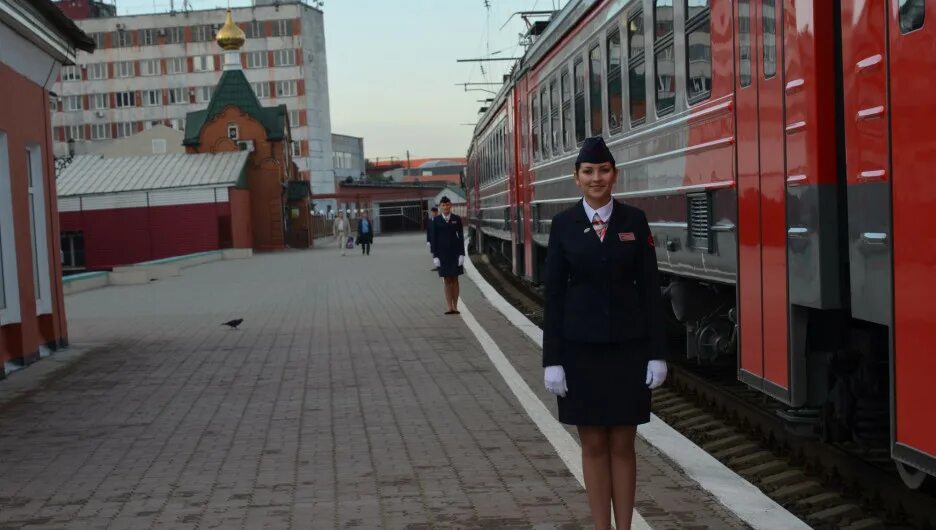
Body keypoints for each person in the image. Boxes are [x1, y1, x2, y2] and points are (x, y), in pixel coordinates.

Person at [542, 136, 668, 530]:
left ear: (615, 175)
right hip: (580, 353)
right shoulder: (563, 226)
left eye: (603, 170)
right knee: (593, 445)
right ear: (576, 178)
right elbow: (555, 298)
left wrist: (657, 352)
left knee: (624, 445)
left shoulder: (635, 221)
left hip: (628, 351)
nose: (597, 178)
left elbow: (651, 290)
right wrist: (553, 361)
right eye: (588, 172)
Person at [429, 196, 465, 314]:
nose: (445, 207)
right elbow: (433, 239)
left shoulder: (456, 219)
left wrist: (462, 254)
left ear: (451, 206)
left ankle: (456, 306)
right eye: (443, 205)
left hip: (455, 253)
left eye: (447, 205)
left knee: (455, 279)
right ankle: (449, 307)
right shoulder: (436, 221)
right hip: (442, 254)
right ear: (440, 207)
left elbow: (461, 237)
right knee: (447, 280)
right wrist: (435, 256)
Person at [427, 206, 440, 271]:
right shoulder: (430, 220)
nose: (433, 213)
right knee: (434, 253)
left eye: (435, 212)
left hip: (439, 240)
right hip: (432, 240)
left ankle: (442, 266)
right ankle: (437, 266)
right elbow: (428, 231)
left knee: (440, 253)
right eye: (432, 212)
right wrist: (428, 241)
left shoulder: (440, 220)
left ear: (437, 213)